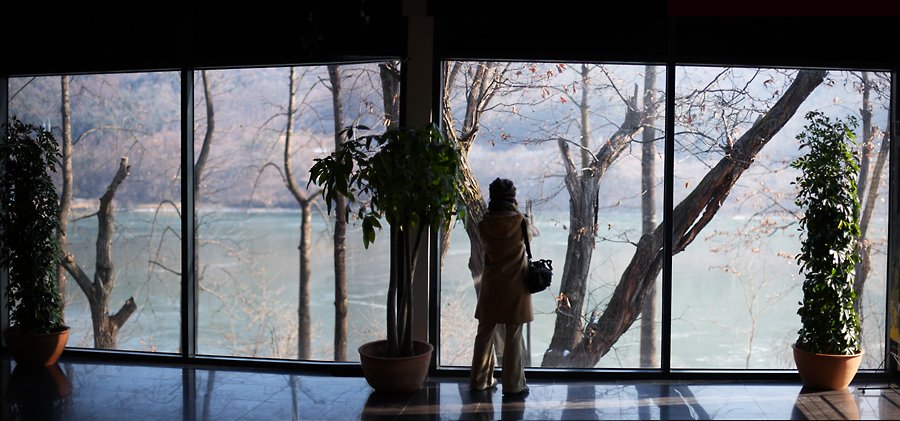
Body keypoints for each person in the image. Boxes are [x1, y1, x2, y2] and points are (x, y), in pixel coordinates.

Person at [470, 177, 532, 398]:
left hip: (492, 284)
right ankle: (514, 385)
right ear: (512, 198)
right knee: (514, 333)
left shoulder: (483, 224)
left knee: (485, 331)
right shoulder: (521, 222)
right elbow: (529, 240)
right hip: (516, 284)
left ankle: (479, 380)